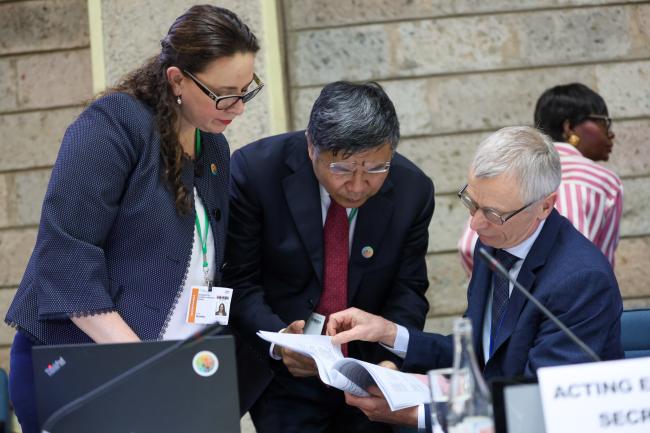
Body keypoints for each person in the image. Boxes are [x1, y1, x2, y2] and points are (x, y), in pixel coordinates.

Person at [5, 6, 264, 433]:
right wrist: (141, 365)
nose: (237, 108)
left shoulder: (213, 148)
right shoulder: (113, 125)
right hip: (85, 367)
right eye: (223, 93)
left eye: (245, 91)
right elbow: (65, 254)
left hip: (166, 369)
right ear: (177, 79)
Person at [326, 126, 623, 431]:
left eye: (493, 213)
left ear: (545, 206)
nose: (475, 223)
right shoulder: (494, 243)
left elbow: (539, 405)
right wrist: (388, 333)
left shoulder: (581, 281)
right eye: (472, 202)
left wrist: (420, 415)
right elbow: (480, 354)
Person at [223, 81, 435, 433]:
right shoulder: (256, 172)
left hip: (368, 370)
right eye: (342, 169)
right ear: (311, 147)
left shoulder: (413, 190)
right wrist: (281, 342)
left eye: (375, 169)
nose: (357, 185)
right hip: (283, 374)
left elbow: (409, 289)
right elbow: (239, 281)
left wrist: (389, 367)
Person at [459, 83, 623, 274]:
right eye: (604, 121)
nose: (610, 133)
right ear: (569, 127)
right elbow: (599, 265)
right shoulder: (603, 183)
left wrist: (503, 288)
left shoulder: (507, 176)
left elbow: (468, 247)